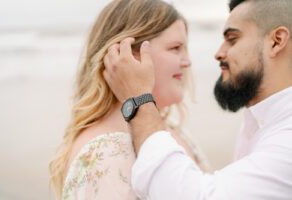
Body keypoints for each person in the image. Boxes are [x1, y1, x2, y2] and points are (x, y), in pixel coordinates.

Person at [103, 0, 292, 199]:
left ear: (276, 41)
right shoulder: (258, 123)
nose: (219, 54)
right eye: (175, 48)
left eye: (232, 39)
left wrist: (138, 99)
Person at [49, 0, 210, 199]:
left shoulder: (173, 129)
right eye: (175, 48)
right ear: (127, 55)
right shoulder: (104, 153)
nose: (187, 62)